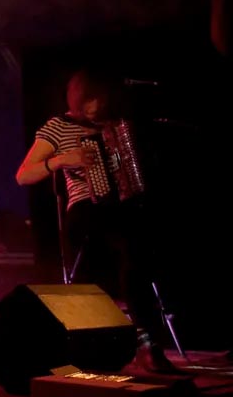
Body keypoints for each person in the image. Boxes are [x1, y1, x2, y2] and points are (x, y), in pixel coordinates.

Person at [15, 67, 180, 374]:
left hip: (126, 209)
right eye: (91, 100)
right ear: (78, 99)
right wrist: (62, 159)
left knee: (141, 243)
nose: (97, 106)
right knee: (127, 244)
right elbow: (23, 175)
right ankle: (135, 341)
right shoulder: (59, 126)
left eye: (102, 100)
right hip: (85, 210)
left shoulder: (118, 124)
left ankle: (146, 342)